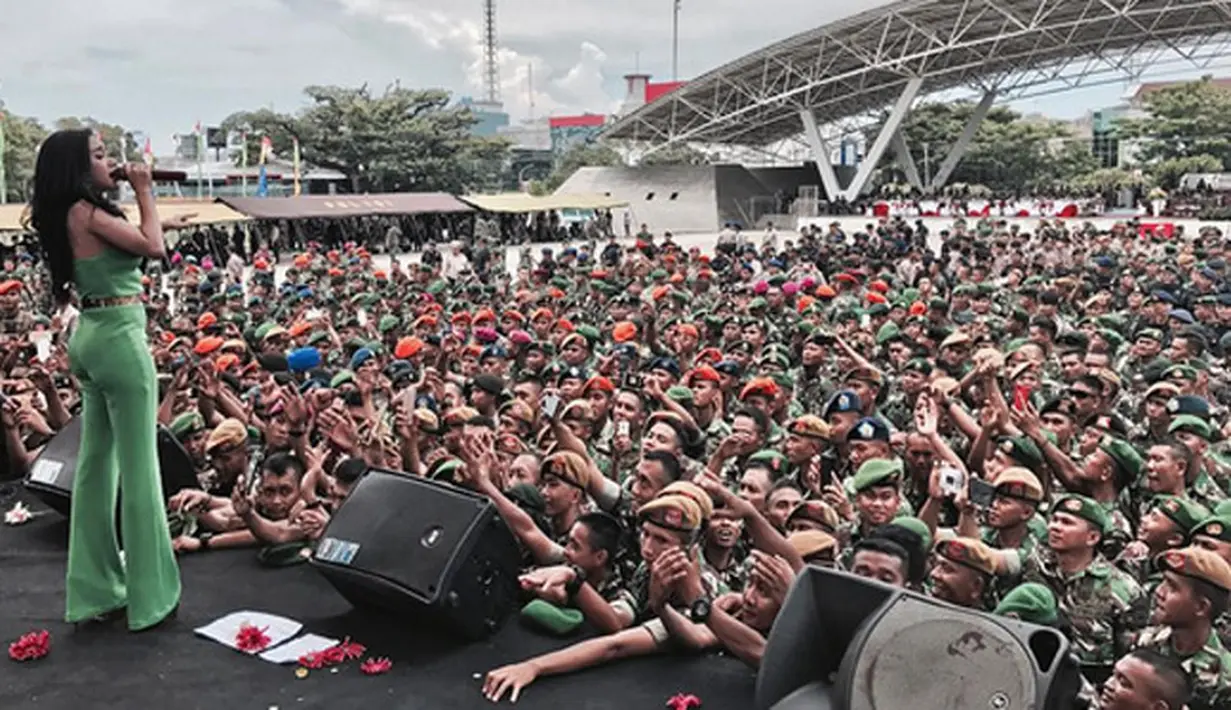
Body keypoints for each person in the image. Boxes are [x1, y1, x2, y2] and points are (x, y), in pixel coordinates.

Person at [29, 129, 190, 631]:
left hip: (91, 336)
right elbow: (154, 248)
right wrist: (144, 189)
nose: (111, 163)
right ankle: (151, 595)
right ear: (78, 170)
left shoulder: (68, 214)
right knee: (140, 469)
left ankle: (97, 589)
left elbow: (131, 244)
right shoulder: (88, 211)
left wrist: (151, 211)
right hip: (119, 338)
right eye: (100, 156)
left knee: (96, 467)